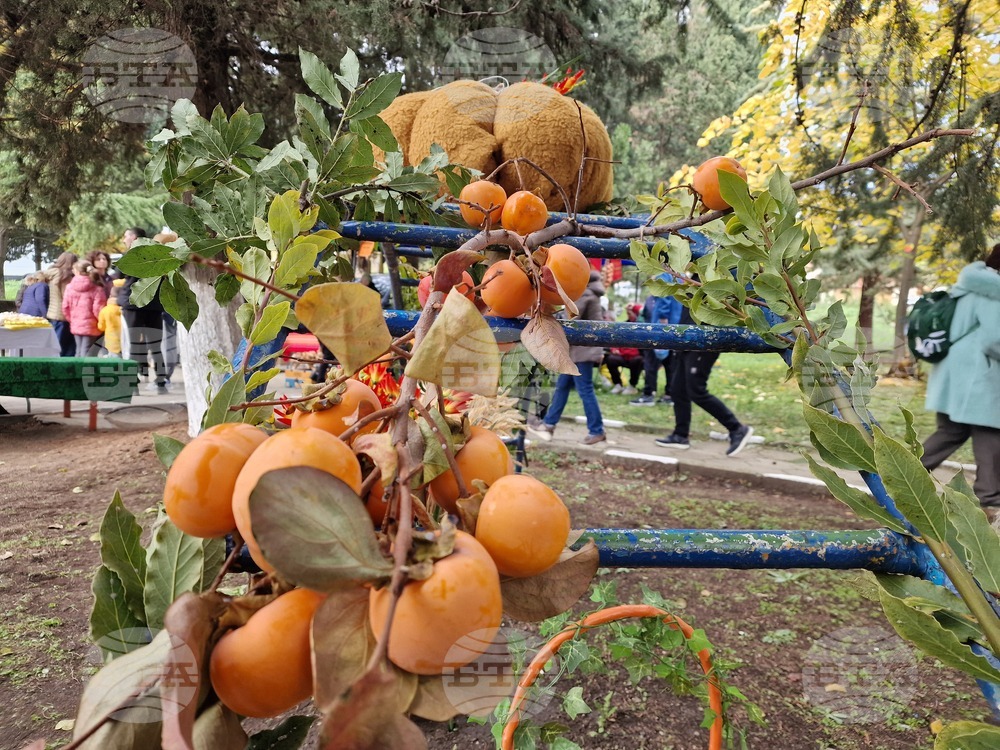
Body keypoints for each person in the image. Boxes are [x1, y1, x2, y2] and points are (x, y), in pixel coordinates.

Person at [920, 244, 1000, 509]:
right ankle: (990, 497)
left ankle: (903, 474)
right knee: (990, 432)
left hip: (953, 373)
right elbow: (995, 340)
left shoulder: (967, 287)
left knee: (951, 430)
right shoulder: (994, 293)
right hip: (980, 377)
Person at [655, 305, 754, 456]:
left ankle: (737, 429)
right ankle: (680, 435)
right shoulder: (686, 288)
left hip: (705, 339)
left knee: (697, 391)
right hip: (686, 339)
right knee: (677, 390)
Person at [526, 270, 607, 445]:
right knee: (562, 388)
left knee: (585, 390)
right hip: (577, 352)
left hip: (582, 353)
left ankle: (597, 430)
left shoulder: (586, 294)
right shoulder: (591, 294)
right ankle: (549, 424)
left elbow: (571, 317)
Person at [118, 227, 168, 392]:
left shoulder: (131, 254)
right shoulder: (157, 253)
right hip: (154, 304)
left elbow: (118, 273)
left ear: (133, 237)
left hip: (133, 304)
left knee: (133, 344)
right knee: (155, 344)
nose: (124, 240)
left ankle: (133, 384)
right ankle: (161, 381)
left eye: (126, 236)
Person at [630, 291, 682, 406]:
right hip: (675, 328)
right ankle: (670, 395)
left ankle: (649, 394)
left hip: (659, 330)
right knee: (671, 364)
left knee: (651, 364)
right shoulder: (681, 284)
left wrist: (663, 328)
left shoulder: (665, 281)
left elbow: (663, 302)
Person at [62, 259, 107, 357]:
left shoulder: (69, 287)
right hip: (91, 324)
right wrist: (100, 322)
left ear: (77, 271)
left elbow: (65, 307)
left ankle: (76, 367)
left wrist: (72, 319)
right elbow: (98, 309)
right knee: (87, 351)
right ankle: (85, 367)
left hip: (75, 322)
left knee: (78, 350)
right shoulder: (97, 288)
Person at [42, 252, 78, 356]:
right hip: (64, 315)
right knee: (65, 347)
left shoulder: (52, 274)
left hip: (53, 313)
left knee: (56, 345)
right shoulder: (66, 277)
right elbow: (67, 297)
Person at [604, 304, 643, 395]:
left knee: (637, 360)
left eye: (630, 313)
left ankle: (632, 385)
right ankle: (618, 384)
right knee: (611, 359)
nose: (628, 315)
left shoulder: (642, 326)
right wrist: (614, 349)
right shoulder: (624, 325)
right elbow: (616, 340)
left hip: (637, 356)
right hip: (623, 355)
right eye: (627, 313)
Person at [98, 279, 125, 358]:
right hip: (125, 341)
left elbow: (101, 327)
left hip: (111, 342)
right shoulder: (125, 310)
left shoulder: (105, 310)